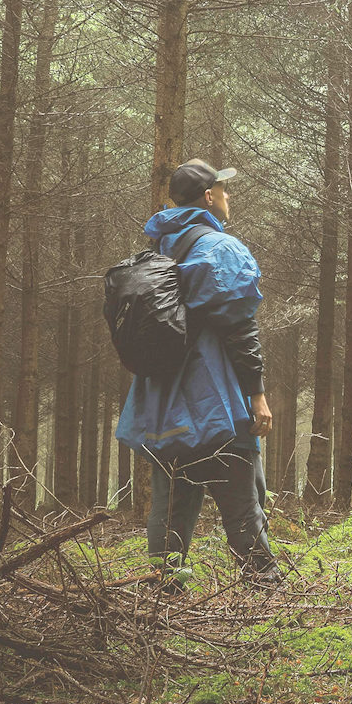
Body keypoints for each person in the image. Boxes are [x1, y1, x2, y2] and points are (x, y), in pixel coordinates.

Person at [114, 159, 281, 586]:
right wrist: (257, 393)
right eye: (224, 190)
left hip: (161, 401)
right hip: (214, 399)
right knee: (241, 497)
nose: (228, 196)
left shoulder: (159, 250)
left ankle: (164, 591)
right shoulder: (220, 249)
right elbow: (240, 328)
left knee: (171, 500)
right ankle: (264, 592)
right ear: (209, 197)